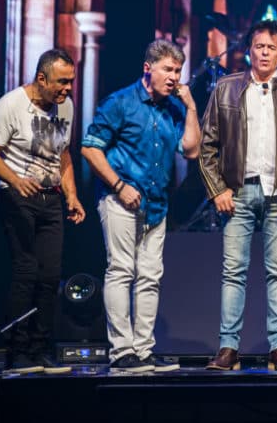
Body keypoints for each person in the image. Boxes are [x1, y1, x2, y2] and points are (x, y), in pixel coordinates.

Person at [199, 19, 277, 371]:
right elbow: (207, 145)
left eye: (271, 47)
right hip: (238, 192)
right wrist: (217, 189)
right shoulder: (226, 88)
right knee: (233, 271)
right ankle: (228, 348)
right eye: (259, 46)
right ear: (248, 50)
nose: (264, 53)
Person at [81, 39, 201, 373]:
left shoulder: (175, 108)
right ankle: (122, 352)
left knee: (150, 277)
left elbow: (190, 150)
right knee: (121, 271)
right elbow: (91, 149)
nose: (174, 77)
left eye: (178, 70)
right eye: (168, 69)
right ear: (148, 68)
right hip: (120, 200)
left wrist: (191, 107)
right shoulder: (120, 102)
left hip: (157, 204)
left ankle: (143, 351)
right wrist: (119, 186)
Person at [0, 49, 86, 375]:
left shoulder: (64, 107)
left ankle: (40, 350)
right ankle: (17, 351)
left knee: (50, 274)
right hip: (15, 196)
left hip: (50, 198)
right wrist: (15, 180)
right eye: (61, 82)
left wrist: (72, 195)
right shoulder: (10, 105)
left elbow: (63, 154)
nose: (67, 88)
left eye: (71, 81)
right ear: (41, 78)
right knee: (26, 270)